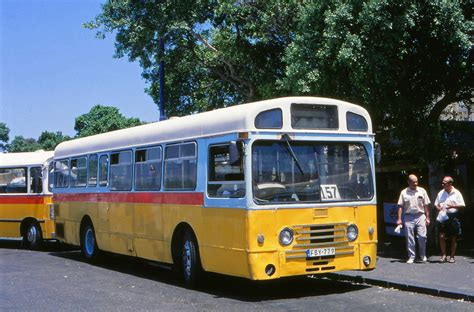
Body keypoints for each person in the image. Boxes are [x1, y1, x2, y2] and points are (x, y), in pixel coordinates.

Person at [396, 174, 431, 263]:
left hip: (420, 215)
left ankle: (422, 255)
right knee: (409, 237)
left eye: (417, 181)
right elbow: (400, 206)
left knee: (422, 236)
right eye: (413, 182)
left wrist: (427, 217)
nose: (415, 183)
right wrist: (399, 219)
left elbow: (426, 205)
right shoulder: (403, 192)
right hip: (408, 216)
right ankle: (411, 256)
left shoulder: (422, 191)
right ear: (408, 182)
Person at [434, 176, 465, 263]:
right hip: (443, 216)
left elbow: (462, 205)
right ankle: (444, 255)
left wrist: (452, 206)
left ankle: (452, 256)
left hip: (453, 215)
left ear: (450, 184)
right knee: (441, 236)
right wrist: (438, 208)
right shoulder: (441, 192)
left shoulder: (457, 193)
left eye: (444, 183)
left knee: (453, 237)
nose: (442, 184)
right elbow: (436, 203)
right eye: (442, 182)